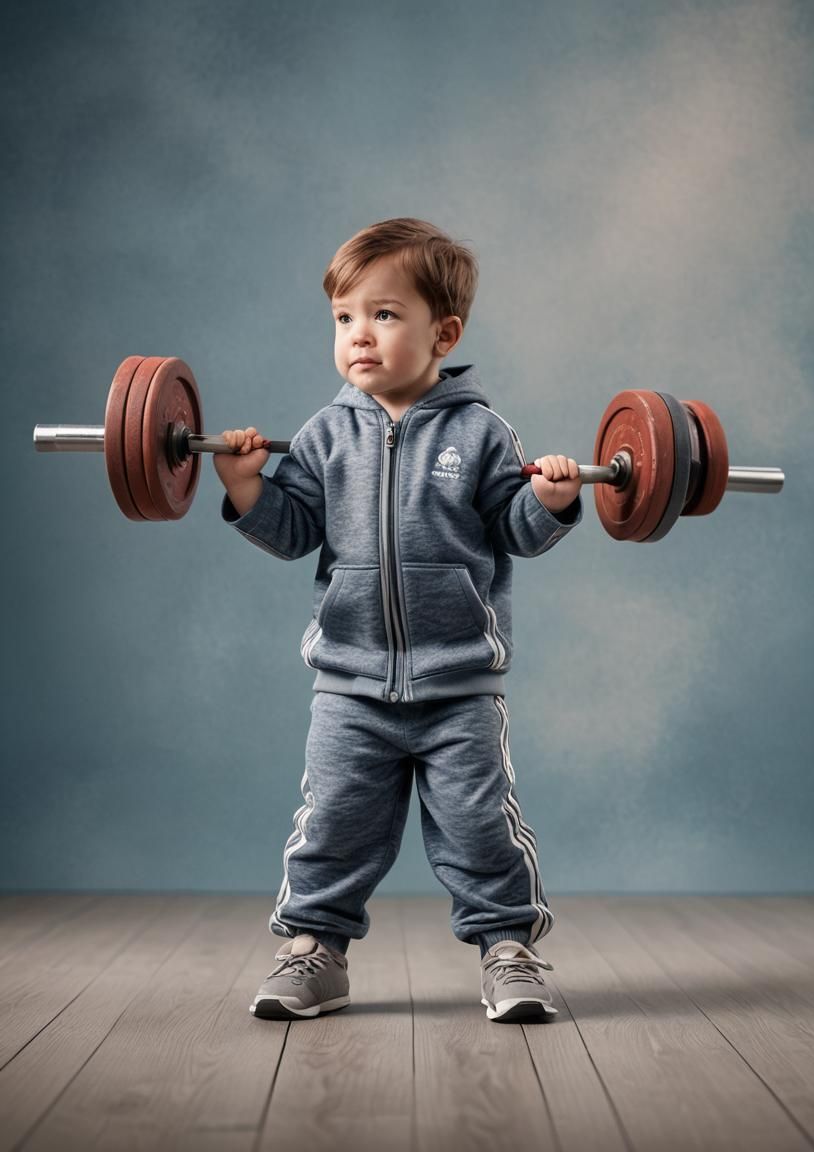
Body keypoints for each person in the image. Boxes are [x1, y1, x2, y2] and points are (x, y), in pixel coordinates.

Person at [214, 217, 583, 1023]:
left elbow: (516, 531)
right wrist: (248, 486)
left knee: (481, 827)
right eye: (345, 319)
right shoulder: (322, 435)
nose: (360, 337)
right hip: (350, 684)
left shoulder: (482, 433)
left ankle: (510, 953)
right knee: (333, 826)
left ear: (442, 332)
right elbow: (292, 531)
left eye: (384, 315)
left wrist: (552, 498)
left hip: (457, 685)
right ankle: (313, 949)